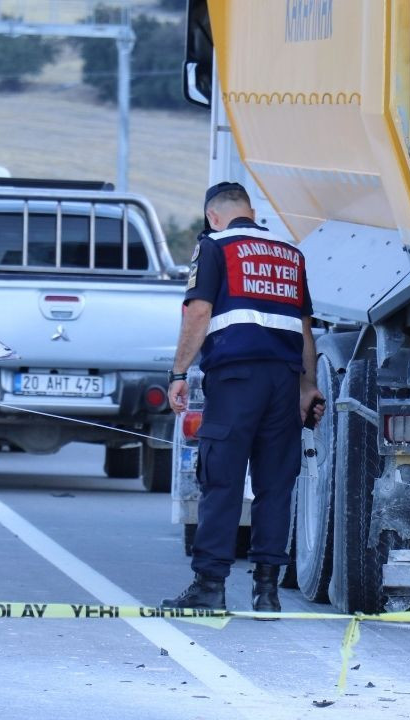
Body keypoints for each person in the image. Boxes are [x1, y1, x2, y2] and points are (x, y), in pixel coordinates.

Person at [164, 181, 324, 612]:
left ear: (212, 216)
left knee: (222, 479)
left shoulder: (214, 246)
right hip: (285, 382)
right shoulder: (291, 254)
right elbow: (305, 328)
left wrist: (179, 372)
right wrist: (307, 386)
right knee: (276, 484)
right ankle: (267, 591)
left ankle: (210, 586)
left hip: (236, 381)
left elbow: (198, 312)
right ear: (250, 211)